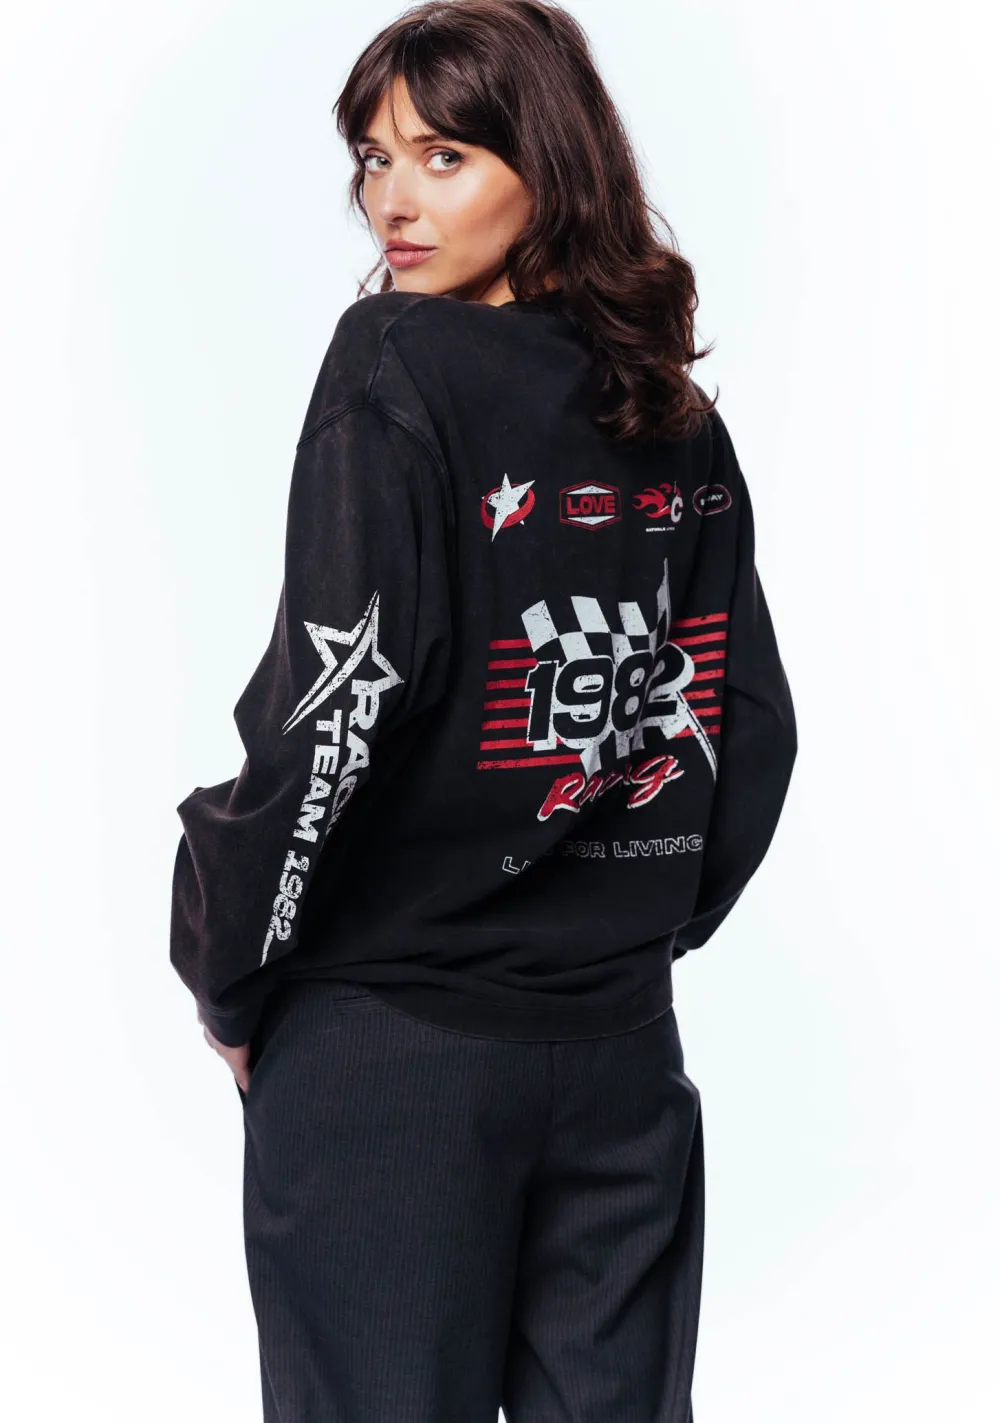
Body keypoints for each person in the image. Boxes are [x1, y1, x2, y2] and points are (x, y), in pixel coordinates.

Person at [169, 2, 798, 1418]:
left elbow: (338, 705)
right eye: (374, 159)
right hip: (621, 1053)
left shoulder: (394, 361)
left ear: (547, 162)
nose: (392, 201)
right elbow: (747, 720)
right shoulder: (673, 412)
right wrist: (621, 924)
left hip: (395, 1050)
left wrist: (228, 964)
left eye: (443, 156)